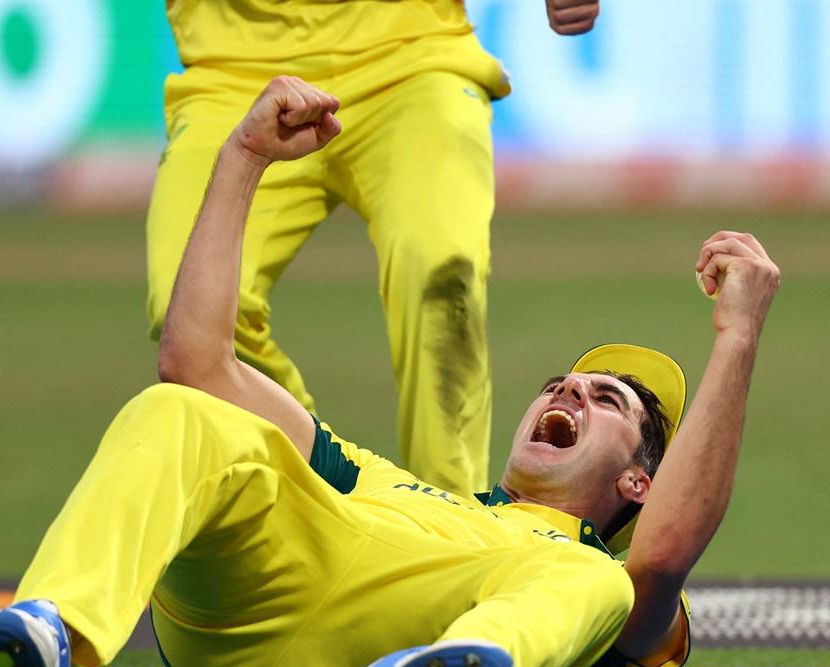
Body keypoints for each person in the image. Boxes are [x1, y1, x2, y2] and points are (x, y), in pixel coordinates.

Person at [0, 77, 780, 667]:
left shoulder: (609, 592)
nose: (569, 394)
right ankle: (44, 636)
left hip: (392, 648)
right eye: (563, 382)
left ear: (640, 479)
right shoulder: (386, 484)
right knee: (179, 408)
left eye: (607, 400)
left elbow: (665, 547)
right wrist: (243, 158)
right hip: (253, 608)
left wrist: (737, 334)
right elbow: (197, 362)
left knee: (592, 577)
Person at [145, 1, 607, 499]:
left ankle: (451, 519)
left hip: (411, 52)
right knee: (189, 307)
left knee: (439, 270)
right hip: (232, 69)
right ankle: (334, 482)